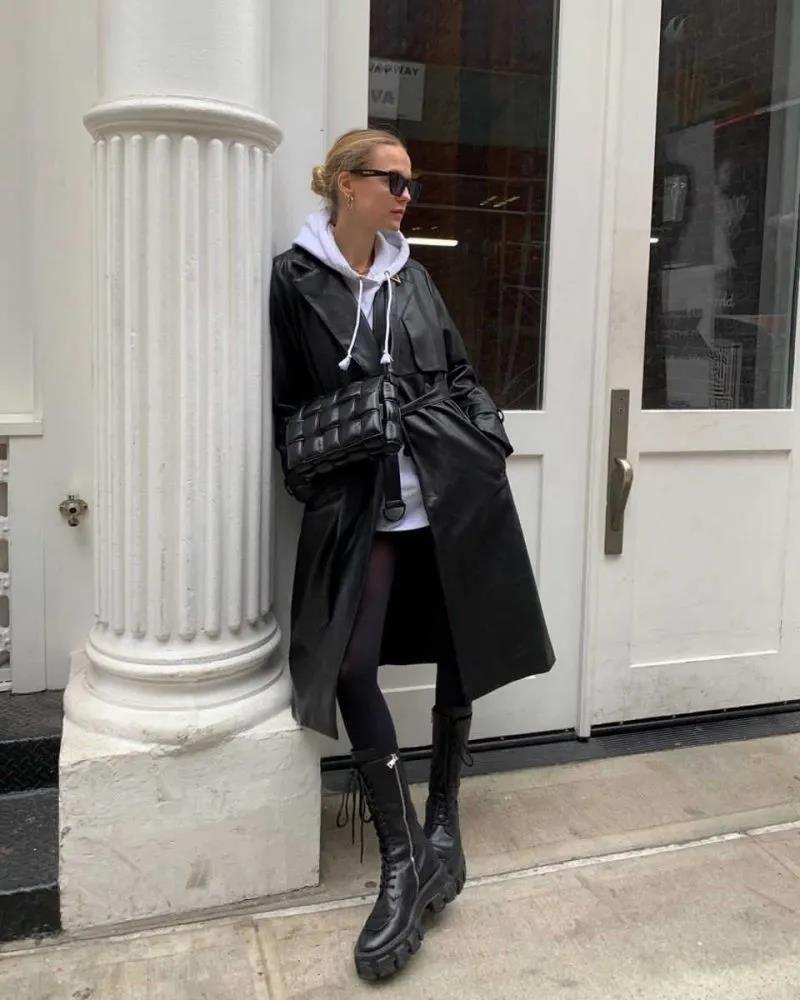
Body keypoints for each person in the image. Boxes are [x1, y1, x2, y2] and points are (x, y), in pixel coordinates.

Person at [269, 127, 556, 980]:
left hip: (450, 492)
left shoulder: (416, 276)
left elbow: (461, 375)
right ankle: (404, 858)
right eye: (391, 181)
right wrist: (328, 456)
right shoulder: (294, 280)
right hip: (365, 505)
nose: (405, 197)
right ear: (346, 185)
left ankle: (443, 821)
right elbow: (287, 405)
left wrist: (485, 440)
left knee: (461, 642)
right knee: (353, 665)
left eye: (409, 184)